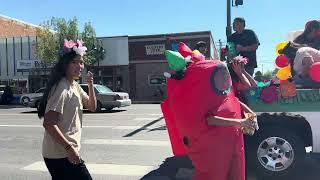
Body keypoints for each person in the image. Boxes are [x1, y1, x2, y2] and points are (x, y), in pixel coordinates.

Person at [38, 39, 97, 180]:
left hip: (63, 153)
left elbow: (92, 106)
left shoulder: (74, 85)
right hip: (60, 155)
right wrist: (69, 149)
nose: (79, 66)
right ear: (65, 64)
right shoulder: (61, 88)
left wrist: (90, 85)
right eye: (74, 62)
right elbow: (49, 124)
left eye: (81, 62)